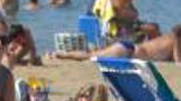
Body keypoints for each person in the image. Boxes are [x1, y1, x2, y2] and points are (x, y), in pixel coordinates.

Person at [49, 24, 181, 62]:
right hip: (128, 52)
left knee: (91, 54)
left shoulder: (167, 37)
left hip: (128, 49)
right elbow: (178, 62)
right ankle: (60, 54)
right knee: (89, 56)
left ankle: (61, 54)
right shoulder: (177, 40)